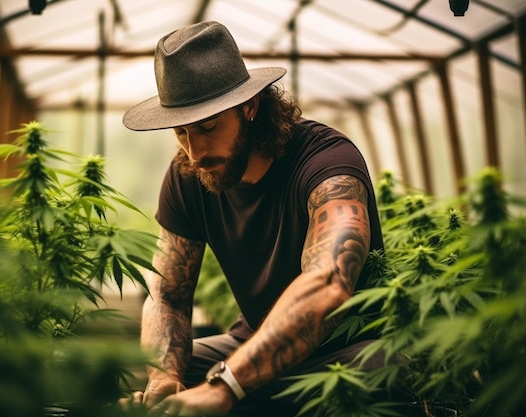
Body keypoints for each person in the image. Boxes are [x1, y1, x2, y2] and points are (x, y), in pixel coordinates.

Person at [121, 21, 385, 417]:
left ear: (249, 107)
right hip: (255, 346)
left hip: (345, 351)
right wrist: (164, 376)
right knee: (142, 382)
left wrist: (226, 385)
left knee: (387, 373)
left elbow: (328, 283)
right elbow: (168, 294)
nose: (195, 152)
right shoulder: (190, 174)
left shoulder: (326, 164)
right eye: (181, 133)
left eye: (208, 127)